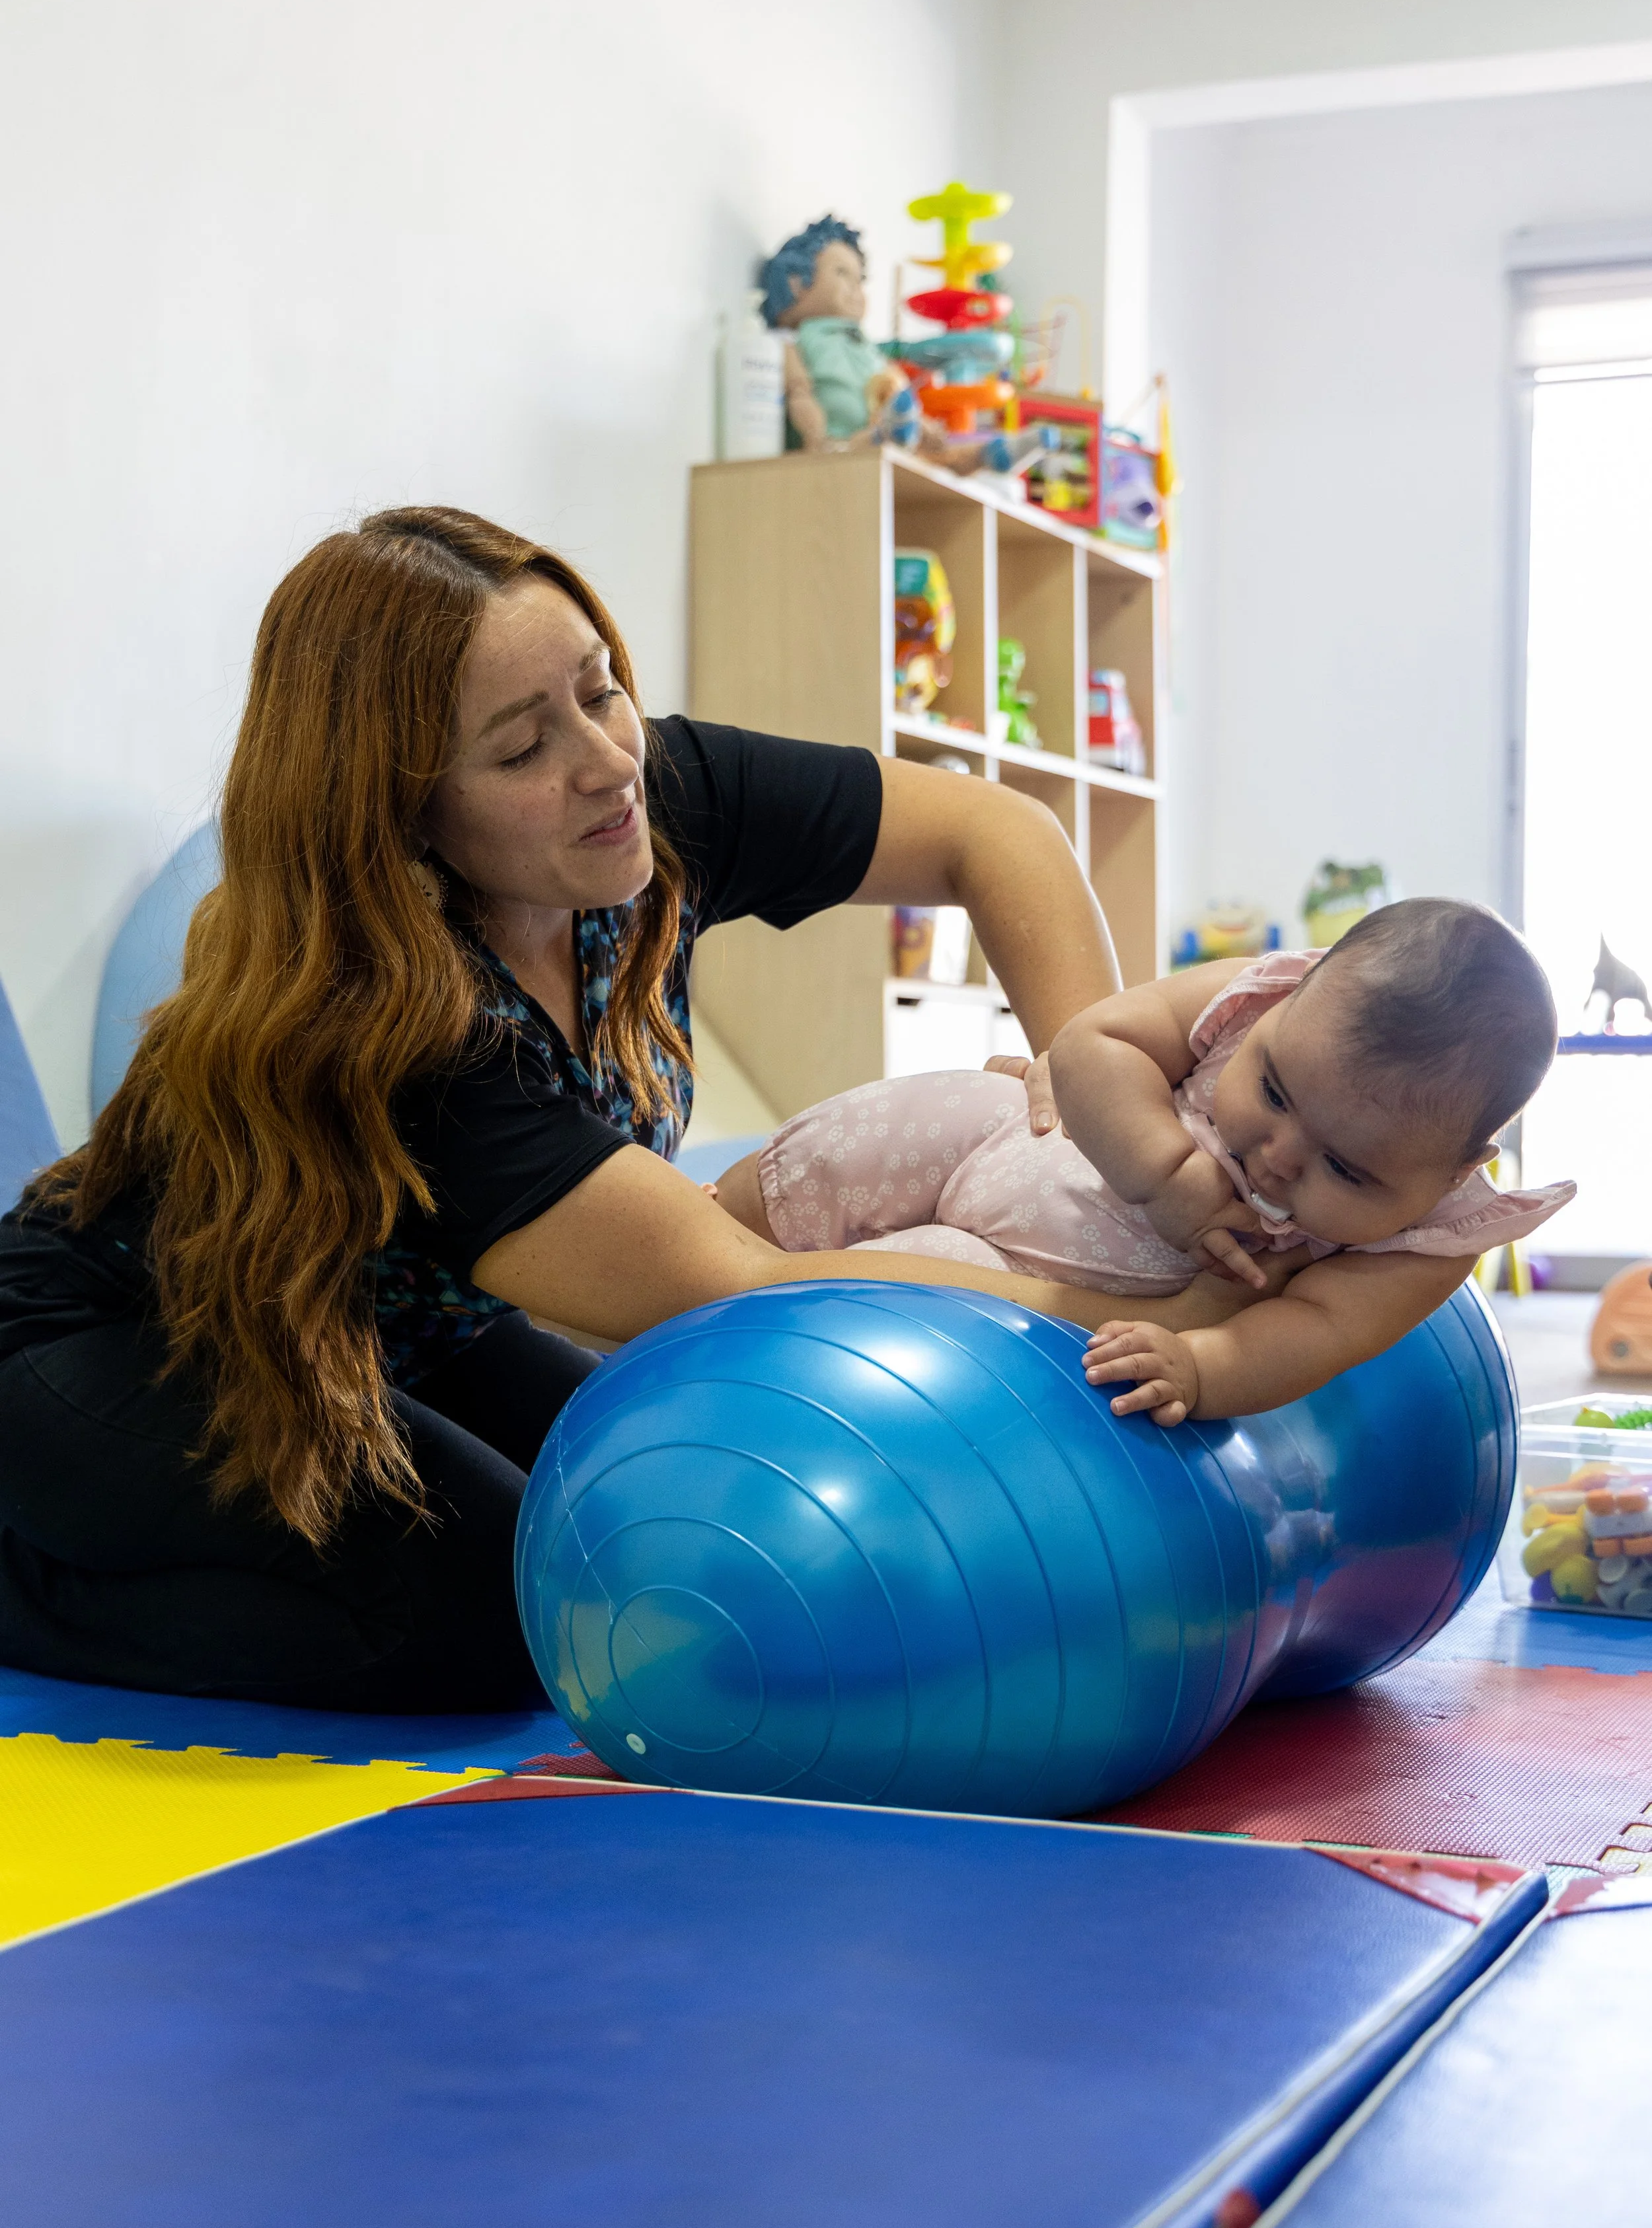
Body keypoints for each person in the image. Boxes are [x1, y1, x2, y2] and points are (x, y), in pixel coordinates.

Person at [0, 505, 1236, 1711]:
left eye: (600, 690)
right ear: (404, 814)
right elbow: (746, 1287)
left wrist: (1100, 1109)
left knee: (665, 1531)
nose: (603, 762)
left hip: (396, 1326)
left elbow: (995, 832)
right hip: (113, 1338)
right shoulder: (406, 1030)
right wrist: (1142, 1313)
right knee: (513, 1613)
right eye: (521, 749)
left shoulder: (644, 800)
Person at [718, 900, 1573, 1425]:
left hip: (1045, 1281)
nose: (1276, 1159)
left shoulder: (1428, 1243)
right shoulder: (1266, 992)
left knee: (887, 1303)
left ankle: (727, 1365)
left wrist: (1201, 1368)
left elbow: (1317, 1335)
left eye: (1345, 1170)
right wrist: (1171, 1177)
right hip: (1032, 1138)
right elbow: (1099, 1038)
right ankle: (703, 1226)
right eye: (1273, 1092)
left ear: (1456, 1169)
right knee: (858, 1140)